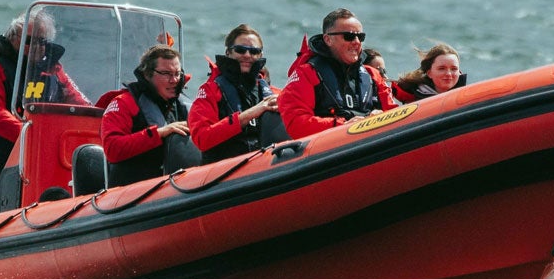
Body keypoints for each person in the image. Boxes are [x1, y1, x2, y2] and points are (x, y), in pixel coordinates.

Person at [0, 11, 87, 214]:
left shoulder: (53, 71)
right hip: (4, 158)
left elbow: (80, 104)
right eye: (30, 41)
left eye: (42, 41)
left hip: (48, 156)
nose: (37, 47)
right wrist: (30, 134)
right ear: (13, 39)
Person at [278, 8, 398, 139]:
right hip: (328, 146)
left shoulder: (372, 75)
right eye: (349, 36)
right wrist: (343, 126)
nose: (357, 42)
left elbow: (395, 114)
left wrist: (381, 117)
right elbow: (297, 124)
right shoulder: (306, 73)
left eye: (360, 37)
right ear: (328, 39)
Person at [99, 45, 201, 187]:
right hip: (133, 192)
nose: (174, 80)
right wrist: (159, 133)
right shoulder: (124, 103)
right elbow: (112, 149)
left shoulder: (184, 105)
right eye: (166, 74)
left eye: (177, 73)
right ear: (147, 75)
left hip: (180, 189)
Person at [188, 24, 284, 164]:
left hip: (267, 165)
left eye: (253, 51)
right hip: (225, 171)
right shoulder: (210, 91)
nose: (247, 55)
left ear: (260, 55)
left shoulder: (274, 94)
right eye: (240, 50)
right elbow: (202, 139)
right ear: (228, 53)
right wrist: (249, 114)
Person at [392, 42, 467, 103]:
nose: (448, 74)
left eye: (454, 69)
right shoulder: (415, 101)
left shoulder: (466, 96)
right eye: (441, 68)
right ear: (429, 73)